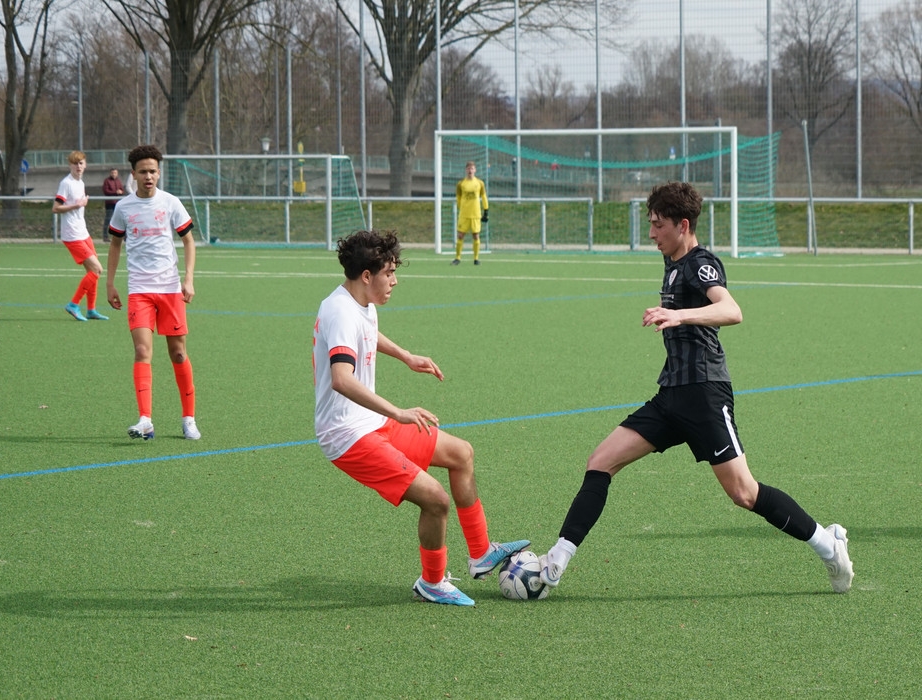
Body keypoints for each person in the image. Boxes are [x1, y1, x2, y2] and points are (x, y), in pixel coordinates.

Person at [540, 181, 854, 594]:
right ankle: (556, 562)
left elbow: (731, 309)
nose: (651, 233)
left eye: (658, 225)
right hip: (671, 395)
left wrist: (680, 315)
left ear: (683, 225)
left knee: (744, 493)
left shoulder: (700, 263)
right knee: (600, 461)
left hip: (705, 394)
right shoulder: (671, 261)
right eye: (651, 223)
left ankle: (828, 546)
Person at [313, 229, 528, 606]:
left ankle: (481, 553)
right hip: (347, 435)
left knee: (461, 453)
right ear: (367, 275)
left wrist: (406, 356)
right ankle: (432, 582)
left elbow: (368, 332)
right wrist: (399, 412)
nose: (394, 281)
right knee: (435, 499)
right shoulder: (340, 312)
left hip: (370, 423)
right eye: (390, 273)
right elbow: (341, 379)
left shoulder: (359, 301)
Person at [106, 144, 199, 442]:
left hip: (170, 290)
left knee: (178, 353)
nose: (149, 177)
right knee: (142, 351)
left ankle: (188, 419)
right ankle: (145, 420)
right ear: (133, 174)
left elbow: (189, 241)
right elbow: (115, 245)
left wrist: (188, 279)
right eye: (143, 172)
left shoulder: (171, 203)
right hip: (140, 291)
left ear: (159, 173)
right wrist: (109, 283)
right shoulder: (123, 208)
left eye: (153, 171)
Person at [54, 150, 108, 322]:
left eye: (80, 163)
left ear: (85, 165)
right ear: (70, 165)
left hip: (83, 232)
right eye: (75, 163)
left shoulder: (80, 183)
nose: (78, 166)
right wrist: (76, 205)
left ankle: (91, 310)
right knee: (97, 269)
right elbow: (56, 208)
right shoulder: (66, 183)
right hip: (72, 235)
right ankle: (73, 304)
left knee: (93, 272)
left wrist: (80, 205)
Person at [453, 161, 488, 266]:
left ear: (475, 170)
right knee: (460, 235)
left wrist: (486, 210)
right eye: (468, 168)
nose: (470, 170)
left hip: (475, 214)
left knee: (476, 236)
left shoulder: (480, 183)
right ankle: (457, 258)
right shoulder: (461, 184)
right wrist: (461, 208)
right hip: (464, 215)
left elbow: (484, 197)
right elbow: (458, 197)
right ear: (466, 170)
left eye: (472, 168)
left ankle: (476, 259)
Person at [101, 167, 125, 243]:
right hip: (110, 203)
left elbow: (122, 190)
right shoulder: (107, 181)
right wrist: (115, 192)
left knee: (121, 219)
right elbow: (106, 191)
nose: (114, 174)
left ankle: (123, 236)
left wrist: (121, 192)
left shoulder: (118, 181)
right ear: (110, 173)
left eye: (115, 173)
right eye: (112, 173)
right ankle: (105, 236)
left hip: (118, 204)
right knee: (108, 220)